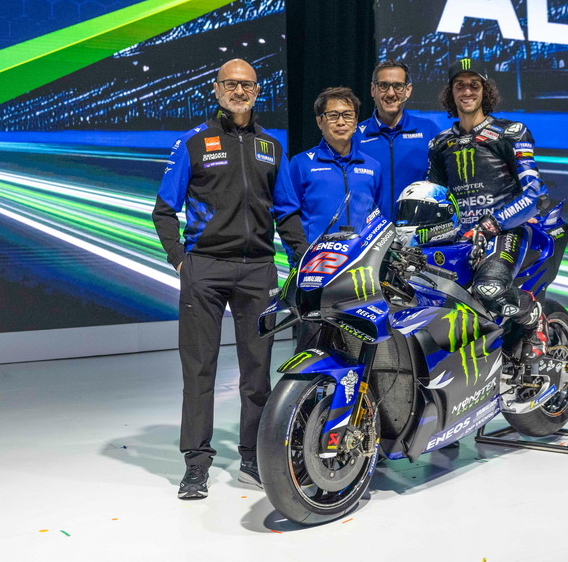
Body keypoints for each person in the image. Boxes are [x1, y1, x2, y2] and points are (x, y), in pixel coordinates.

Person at [152, 59, 307, 501]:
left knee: (257, 374)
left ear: (257, 91)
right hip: (204, 268)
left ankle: (252, 458)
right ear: (217, 89)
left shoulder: (271, 146)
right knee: (199, 369)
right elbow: (164, 210)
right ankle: (196, 464)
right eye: (231, 85)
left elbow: (287, 212)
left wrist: (302, 258)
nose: (239, 92)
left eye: (247, 85)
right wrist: (181, 261)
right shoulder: (194, 142)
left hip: (258, 271)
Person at [426, 58, 550, 362]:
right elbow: (434, 196)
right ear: (451, 92)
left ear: (485, 90)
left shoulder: (512, 132)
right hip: (459, 238)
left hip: (505, 231)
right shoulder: (439, 144)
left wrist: (491, 224)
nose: (467, 91)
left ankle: (533, 316)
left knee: (490, 288)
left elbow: (533, 193)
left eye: (474, 85)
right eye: (460, 85)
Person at [275, 86, 384, 252]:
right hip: (315, 261)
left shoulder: (373, 167)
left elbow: (378, 219)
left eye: (347, 115)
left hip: (360, 261)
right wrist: (297, 256)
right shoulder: (301, 164)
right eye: (333, 115)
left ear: (355, 121)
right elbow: (287, 215)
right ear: (320, 122)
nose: (341, 122)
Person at [354, 60, 441, 219]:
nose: (391, 93)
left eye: (398, 86)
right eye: (383, 85)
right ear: (373, 90)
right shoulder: (355, 136)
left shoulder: (429, 130)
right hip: (370, 232)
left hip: (417, 230)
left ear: (408, 90)